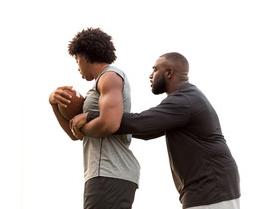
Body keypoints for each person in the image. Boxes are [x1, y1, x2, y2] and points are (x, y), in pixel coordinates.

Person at [71, 52, 241, 209]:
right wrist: (105, 122)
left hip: (212, 188)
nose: (151, 75)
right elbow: (147, 132)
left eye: (155, 70)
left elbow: (143, 123)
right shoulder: (184, 99)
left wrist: (93, 117)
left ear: (169, 73)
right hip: (208, 188)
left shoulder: (185, 100)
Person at [49, 28, 140, 209]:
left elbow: (110, 123)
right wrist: (53, 103)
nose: (77, 66)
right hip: (105, 173)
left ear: (84, 56)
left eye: (76, 60)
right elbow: (75, 135)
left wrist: (83, 123)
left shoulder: (109, 77)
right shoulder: (102, 81)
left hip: (109, 171)